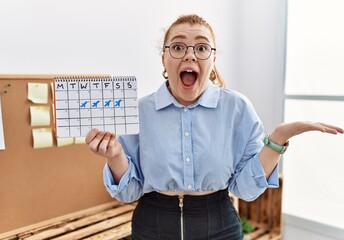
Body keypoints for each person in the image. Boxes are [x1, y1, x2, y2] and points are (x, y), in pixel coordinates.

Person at [85, 14, 343, 240]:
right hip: (151, 225)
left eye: (201, 47)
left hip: (219, 225)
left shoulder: (237, 108)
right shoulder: (139, 111)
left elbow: (246, 189)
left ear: (213, 58)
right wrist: (115, 156)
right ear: (164, 58)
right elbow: (129, 191)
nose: (189, 54)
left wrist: (278, 139)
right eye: (177, 47)